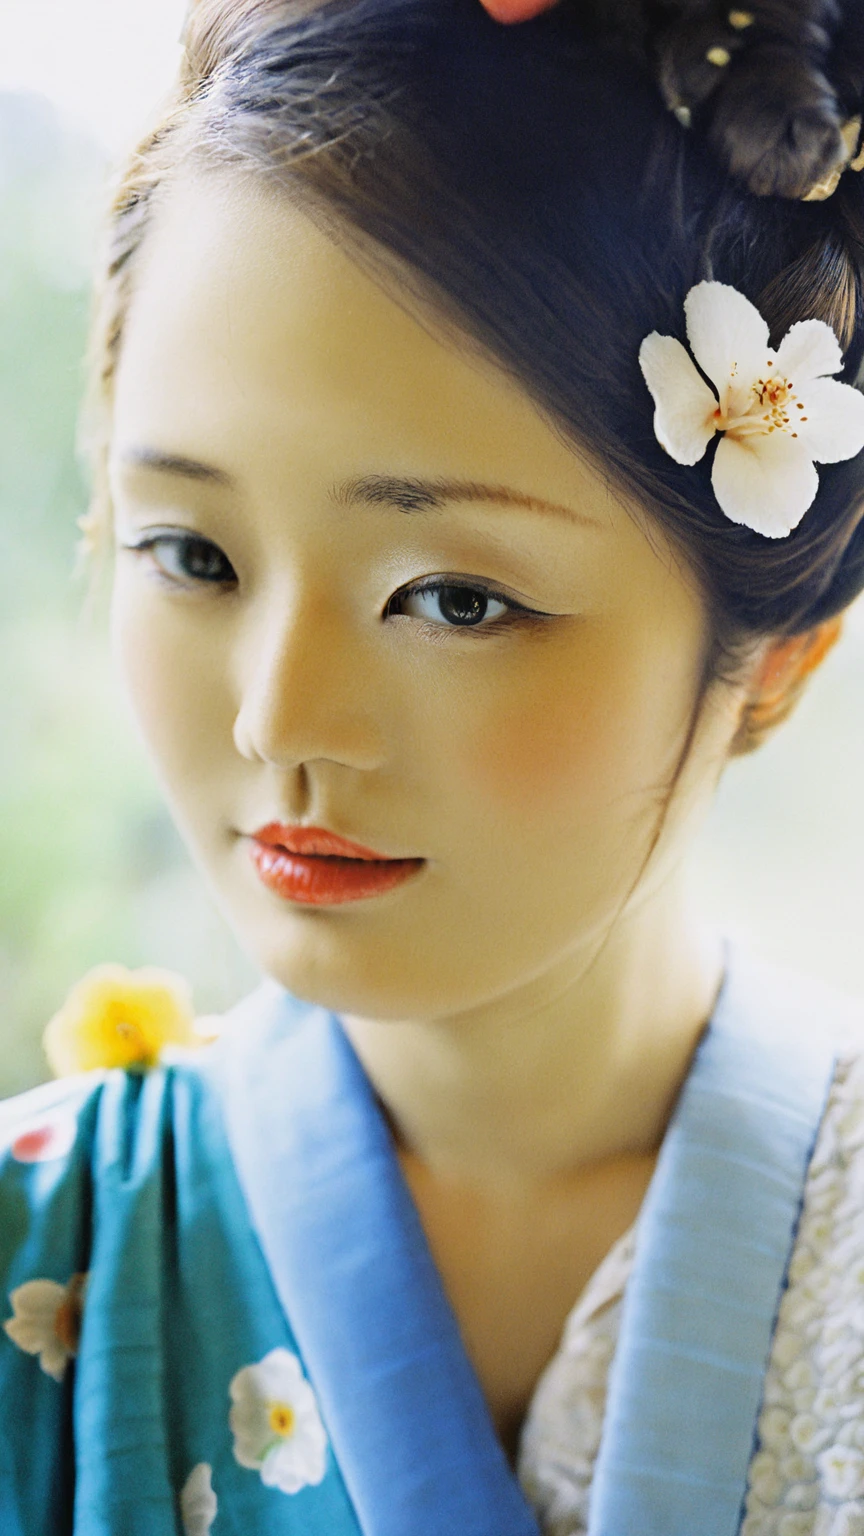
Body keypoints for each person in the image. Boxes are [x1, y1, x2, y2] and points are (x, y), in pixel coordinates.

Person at [3, 0, 864, 1530]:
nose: (280, 719)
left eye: (456, 599)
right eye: (191, 553)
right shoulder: (36, 1245)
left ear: (779, 660)